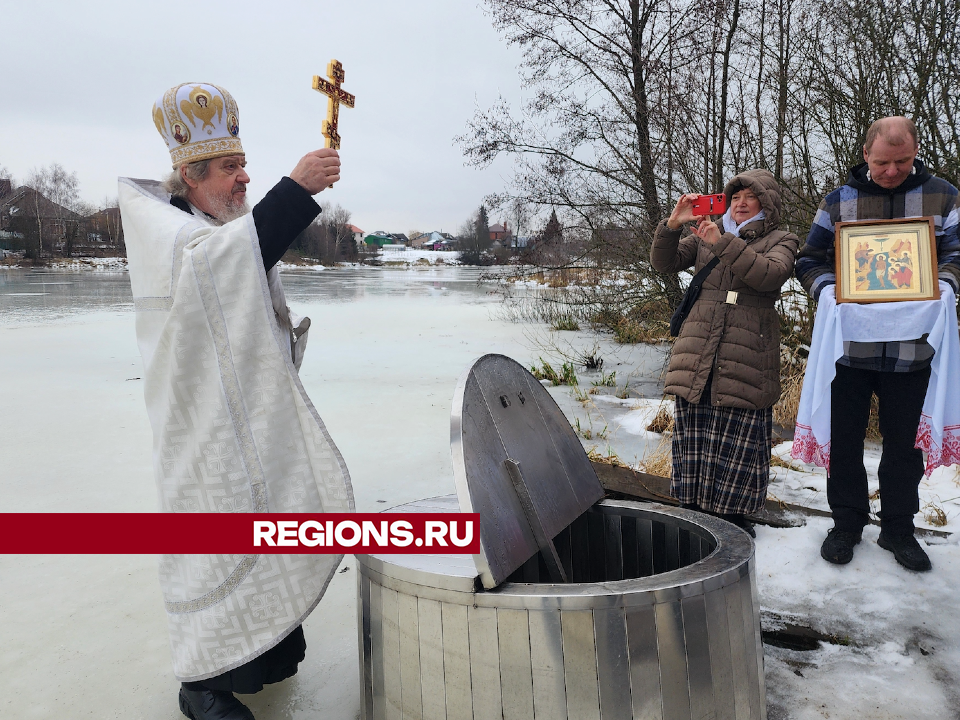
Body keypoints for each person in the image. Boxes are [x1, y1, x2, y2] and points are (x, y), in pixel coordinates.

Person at [118, 82, 354, 720]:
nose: (244, 178)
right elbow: (217, 268)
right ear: (191, 175)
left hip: (245, 415)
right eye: (230, 168)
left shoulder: (213, 223)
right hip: (201, 431)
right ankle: (201, 683)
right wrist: (295, 189)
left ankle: (264, 655)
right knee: (212, 541)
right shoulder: (169, 231)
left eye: (245, 165)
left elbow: (245, 268)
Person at [795, 116, 960, 572]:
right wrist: (827, 290)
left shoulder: (944, 196)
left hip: (912, 349)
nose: (892, 171)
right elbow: (808, 259)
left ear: (916, 151)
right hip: (849, 351)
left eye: (902, 161)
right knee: (844, 439)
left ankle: (898, 529)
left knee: (905, 444)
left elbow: (957, 253)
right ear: (866, 154)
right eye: (883, 162)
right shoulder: (838, 202)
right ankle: (846, 523)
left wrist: (945, 283)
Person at [652, 169, 799, 537]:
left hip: (748, 346)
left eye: (750, 197)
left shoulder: (782, 239)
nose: (741, 203)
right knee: (695, 427)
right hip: (700, 343)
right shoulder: (706, 234)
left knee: (739, 432)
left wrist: (722, 242)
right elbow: (663, 264)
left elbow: (768, 275)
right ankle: (691, 506)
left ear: (767, 203)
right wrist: (671, 226)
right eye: (735, 197)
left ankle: (733, 517)